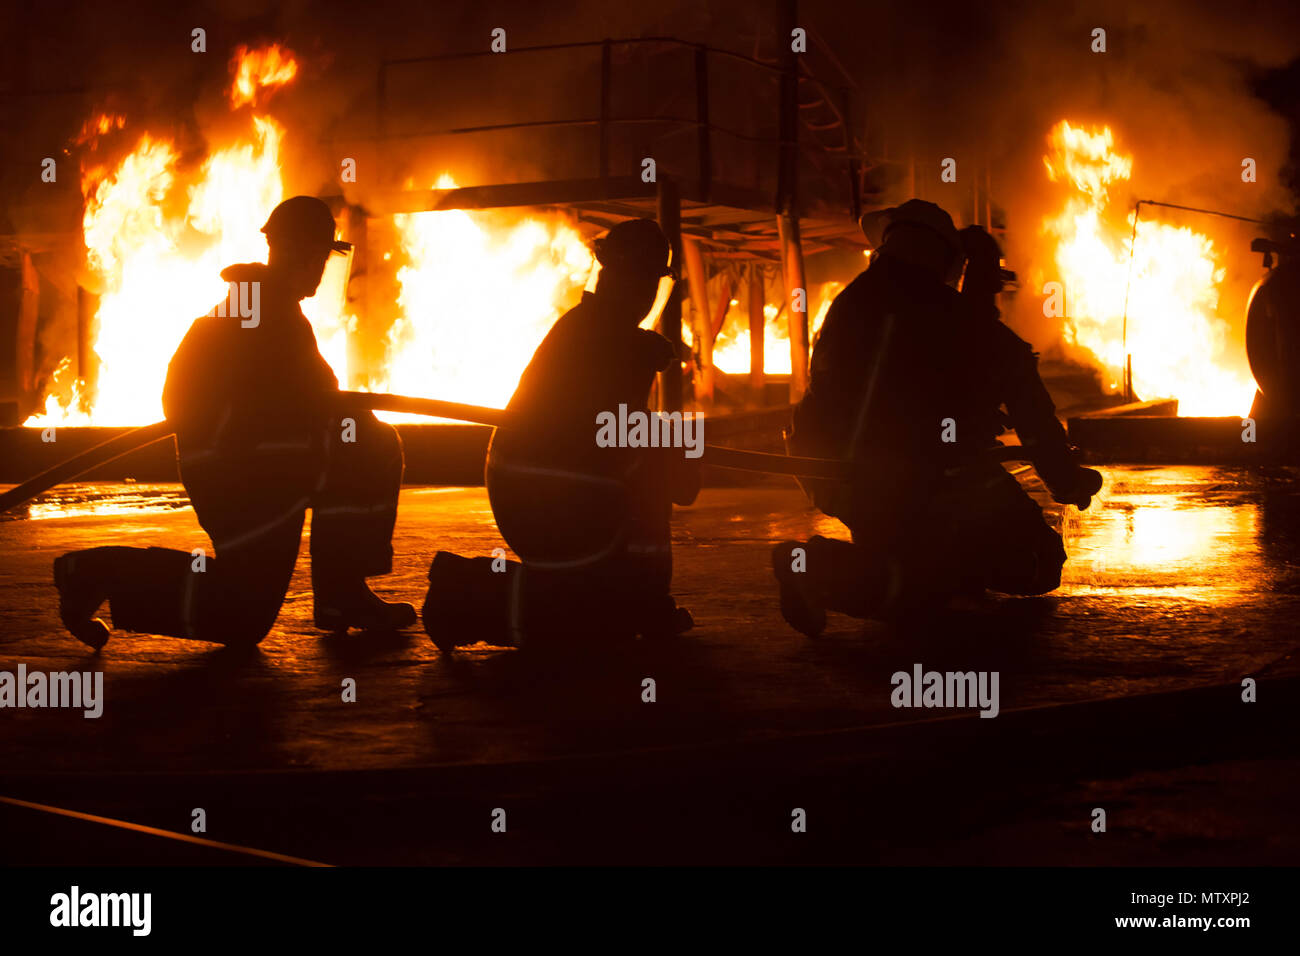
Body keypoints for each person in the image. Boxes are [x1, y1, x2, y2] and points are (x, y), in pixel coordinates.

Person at [54, 195, 414, 649]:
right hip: (249, 479)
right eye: (321, 257)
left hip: (252, 473)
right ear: (305, 253)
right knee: (369, 443)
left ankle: (342, 594)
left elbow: (312, 398)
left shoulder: (256, 306)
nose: (321, 270)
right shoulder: (263, 314)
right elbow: (315, 398)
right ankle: (96, 572)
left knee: (244, 617)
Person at [773, 200, 1102, 635]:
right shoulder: (955, 314)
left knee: (910, 553)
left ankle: (916, 563)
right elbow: (1028, 404)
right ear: (944, 258)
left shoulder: (848, 303)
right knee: (1035, 564)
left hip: (837, 476)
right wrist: (1067, 481)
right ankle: (819, 569)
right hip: (922, 480)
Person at [423, 218, 699, 650]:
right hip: (549, 491)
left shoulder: (593, 328)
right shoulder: (613, 341)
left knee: (608, 609)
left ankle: (636, 601)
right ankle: (464, 595)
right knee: (597, 623)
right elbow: (621, 439)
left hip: (538, 484)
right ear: (640, 283)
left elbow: (609, 433)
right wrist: (674, 452)